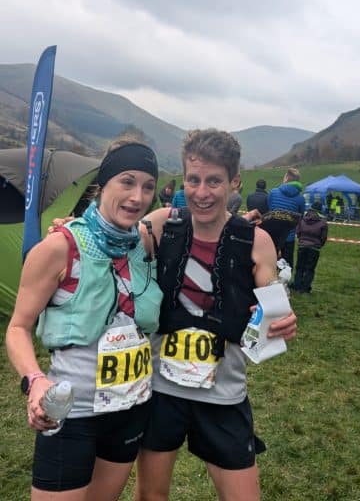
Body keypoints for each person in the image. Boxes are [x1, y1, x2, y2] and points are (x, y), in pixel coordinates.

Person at [134, 128, 297, 501]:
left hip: (223, 393)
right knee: (150, 496)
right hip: (161, 389)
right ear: (183, 178)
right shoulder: (162, 224)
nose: (201, 192)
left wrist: (281, 320)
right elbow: (111, 240)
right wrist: (70, 231)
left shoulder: (256, 241)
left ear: (234, 181)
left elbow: (272, 305)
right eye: (193, 180)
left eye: (214, 181)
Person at [6, 139, 163, 500]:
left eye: (148, 187)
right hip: (73, 411)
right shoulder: (60, 247)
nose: (137, 197)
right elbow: (17, 328)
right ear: (103, 183)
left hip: (131, 406)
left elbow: (185, 213)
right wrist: (35, 381)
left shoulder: (143, 242)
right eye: (127, 182)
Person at [268, 167, 305, 267]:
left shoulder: (273, 192)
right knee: (286, 267)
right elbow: (300, 217)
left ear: (286, 178)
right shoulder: (300, 199)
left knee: (270, 264)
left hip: (273, 235)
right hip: (289, 237)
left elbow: (270, 210)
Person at [291, 201, 328, 294]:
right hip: (314, 248)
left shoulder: (302, 219)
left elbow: (298, 233)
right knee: (310, 269)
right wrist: (319, 245)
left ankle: (297, 285)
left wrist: (301, 241)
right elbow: (323, 237)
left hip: (302, 246)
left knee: (299, 267)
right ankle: (305, 288)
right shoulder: (323, 222)